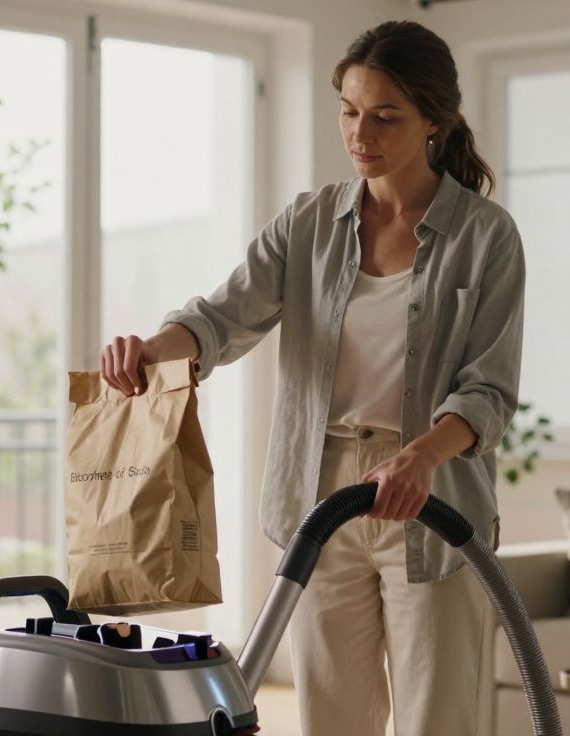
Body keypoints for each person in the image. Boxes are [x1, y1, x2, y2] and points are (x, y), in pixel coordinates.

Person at [99, 19, 524, 736]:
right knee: (331, 719)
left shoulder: (485, 236)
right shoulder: (308, 224)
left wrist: (420, 457)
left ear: (434, 121)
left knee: (439, 721)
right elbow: (218, 318)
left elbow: (489, 390)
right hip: (319, 493)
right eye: (350, 110)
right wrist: (154, 350)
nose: (361, 132)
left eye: (386, 115)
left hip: (430, 495)